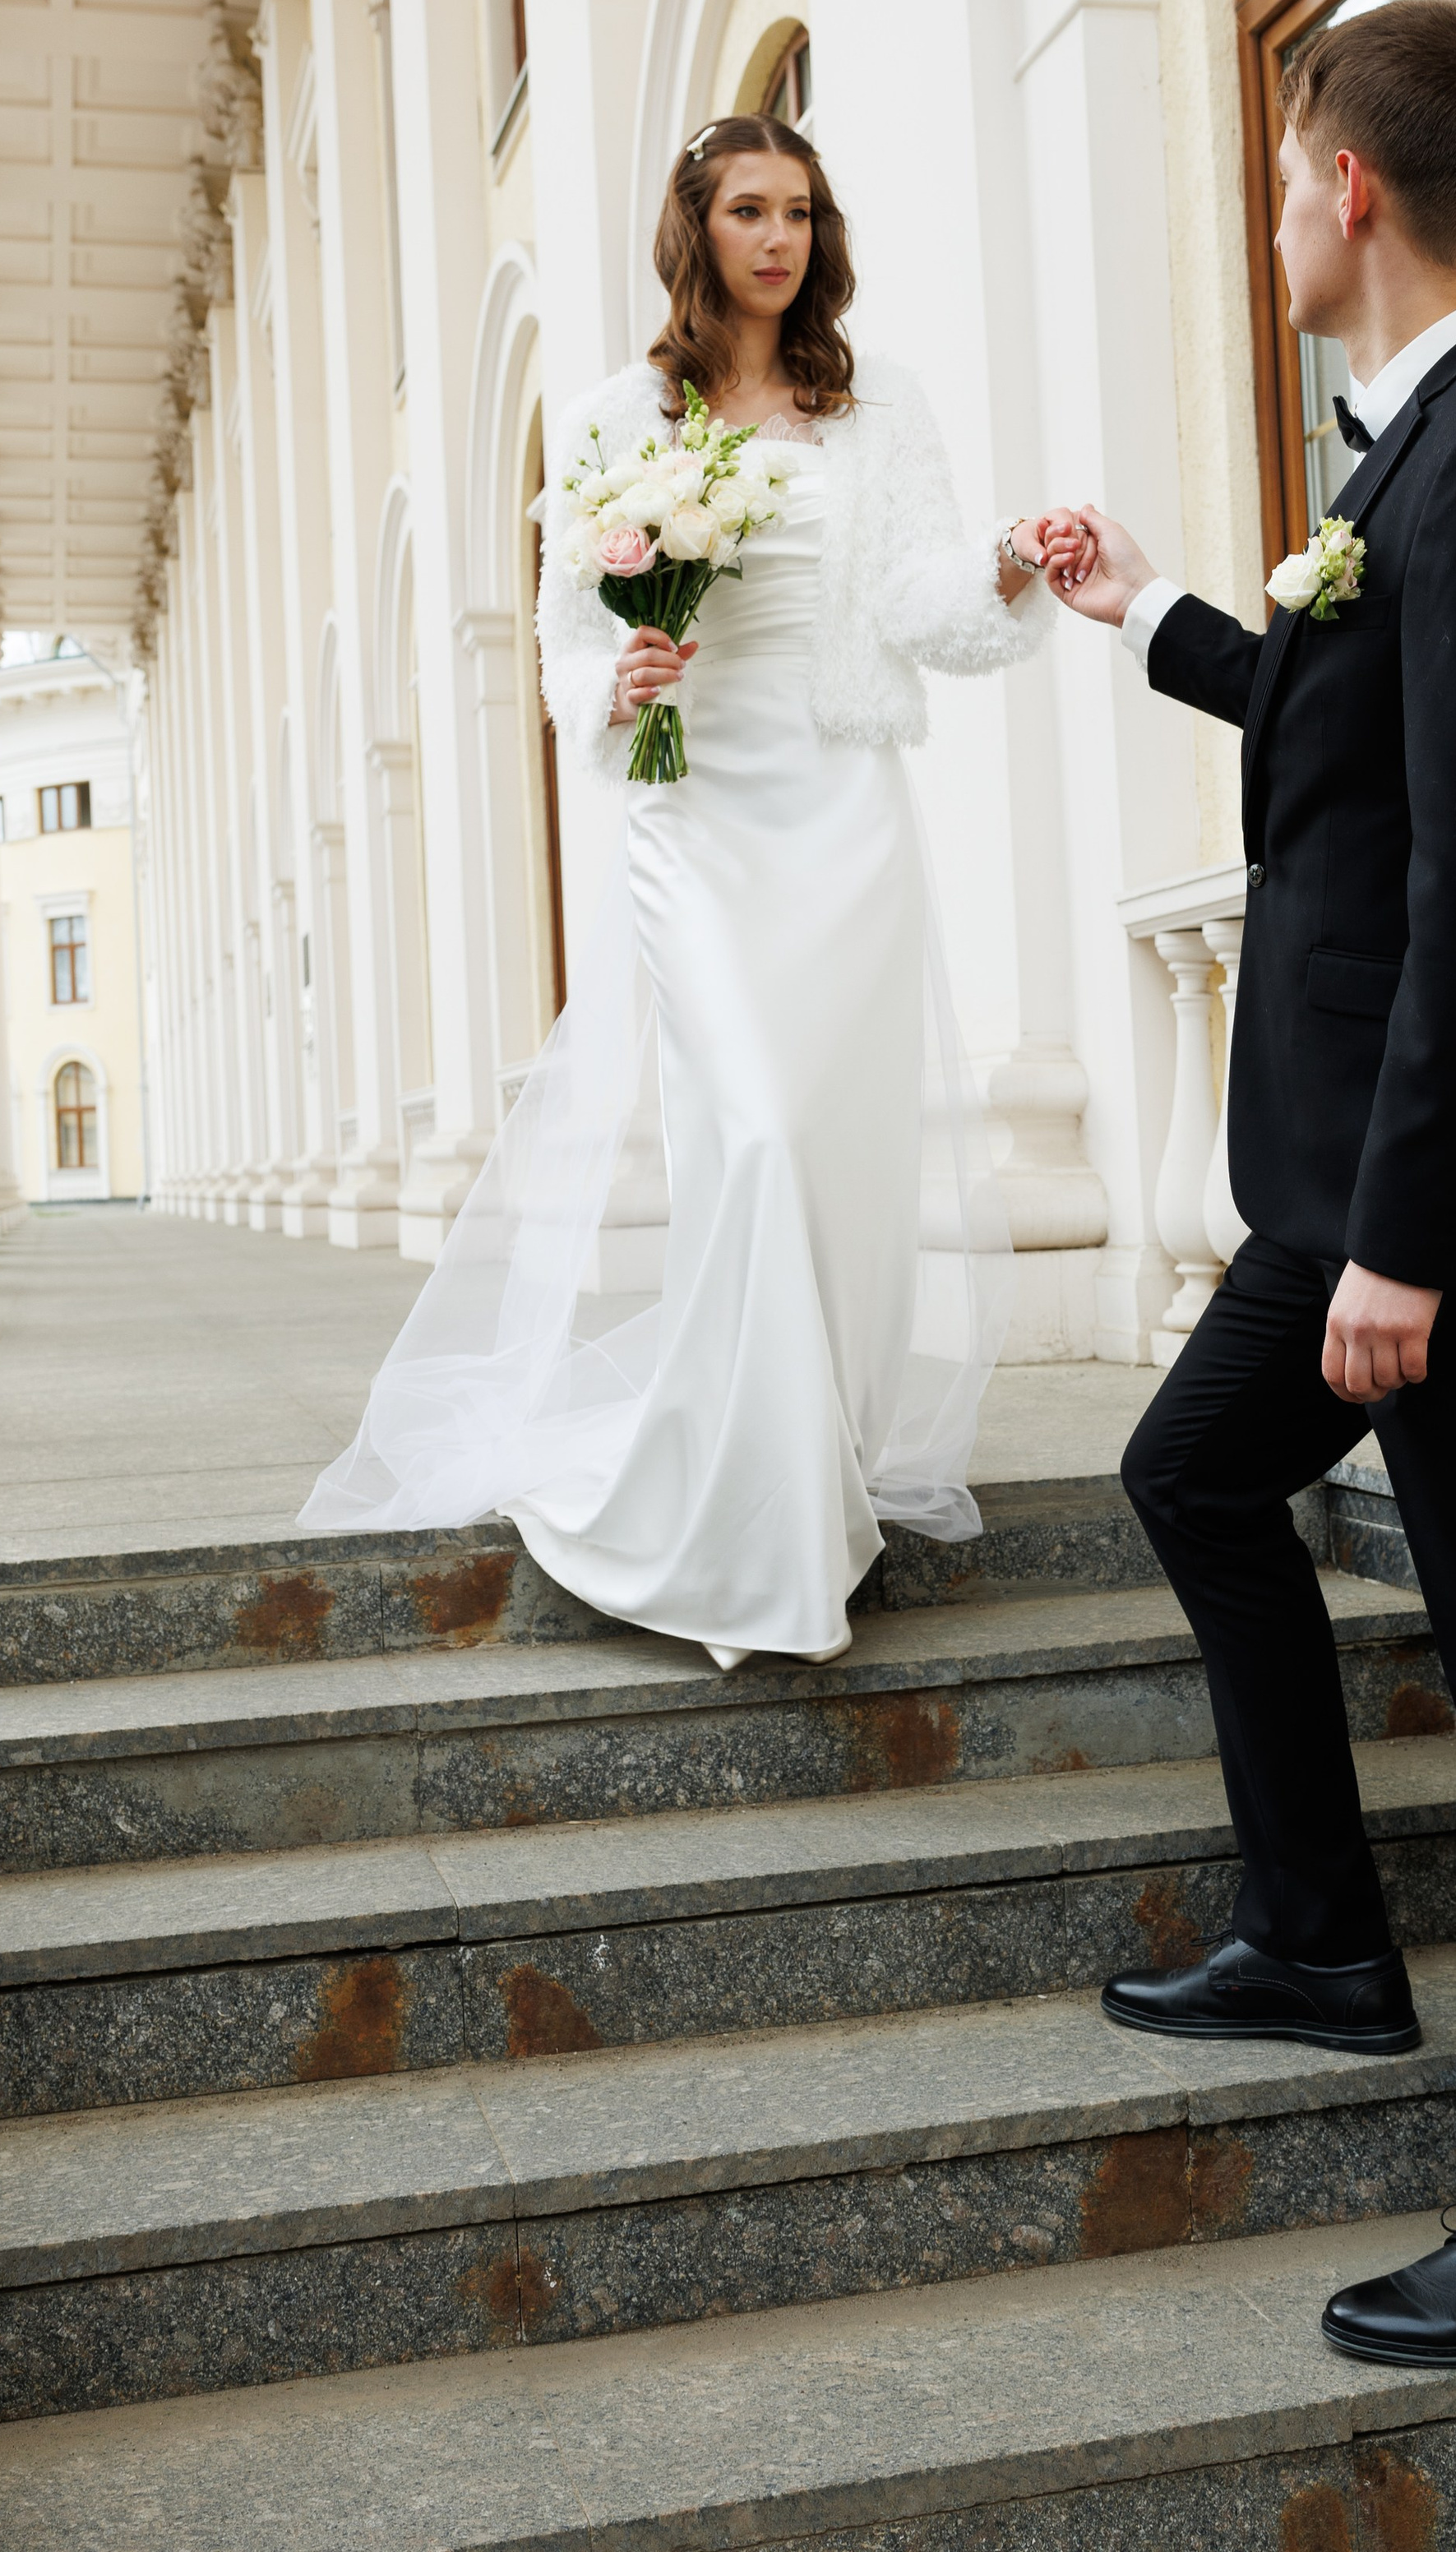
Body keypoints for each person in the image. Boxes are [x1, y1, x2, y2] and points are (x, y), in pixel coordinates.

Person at [1046, 0, 1456, 2369]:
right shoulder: (1417, 455)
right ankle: (1320, 1936)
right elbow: (1363, 728)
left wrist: (1414, 1236)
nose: (1270, 204)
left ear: (1344, 184)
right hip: (1353, 1173)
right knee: (1198, 1472)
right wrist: (1148, 607)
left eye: (1279, 160)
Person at [301, 112, 1062, 1667]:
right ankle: (741, 1531)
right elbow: (564, 637)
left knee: (839, 1159)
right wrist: (617, 673)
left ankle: (807, 1467)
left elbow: (923, 600)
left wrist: (1005, 563)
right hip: (697, 810)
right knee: (763, 1138)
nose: (777, 239)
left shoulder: (876, 405)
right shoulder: (610, 420)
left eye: (799, 211)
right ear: (695, 232)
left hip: (844, 804)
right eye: (747, 213)